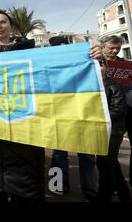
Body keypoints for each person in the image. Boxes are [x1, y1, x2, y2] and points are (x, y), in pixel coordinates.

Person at [0, 10, 102, 203]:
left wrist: (91, 56)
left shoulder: (32, 51)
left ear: (12, 26)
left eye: (3, 22)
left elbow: (59, 68)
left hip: (24, 127)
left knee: (24, 188)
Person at [48, 36, 98, 201]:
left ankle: (90, 190)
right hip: (60, 115)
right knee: (59, 154)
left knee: (87, 155)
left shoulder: (84, 61)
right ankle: (59, 186)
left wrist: (99, 59)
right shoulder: (48, 65)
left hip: (83, 113)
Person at [100, 35, 132, 196]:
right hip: (107, 114)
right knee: (108, 158)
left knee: (108, 158)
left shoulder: (125, 65)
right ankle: (121, 190)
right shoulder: (94, 62)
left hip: (124, 110)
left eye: (117, 48)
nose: (115, 51)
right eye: (111, 47)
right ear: (102, 46)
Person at [95, 60, 130, 201]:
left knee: (105, 165)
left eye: (100, 65)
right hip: (99, 130)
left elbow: (118, 110)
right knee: (110, 164)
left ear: (106, 67)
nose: (98, 68)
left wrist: (96, 116)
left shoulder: (115, 85)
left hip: (113, 132)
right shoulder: (90, 86)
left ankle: (104, 197)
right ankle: (124, 195)